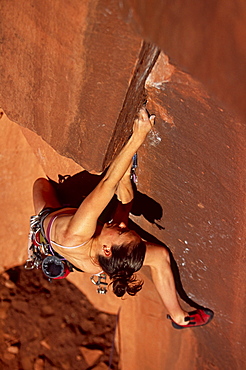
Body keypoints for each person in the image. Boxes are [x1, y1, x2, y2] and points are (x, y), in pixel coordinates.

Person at [29, 107, 213, 329]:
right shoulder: (110, 260)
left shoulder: (77, 233)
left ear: (107, 250)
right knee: (159, 256)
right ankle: (179, 317)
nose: (124, 225)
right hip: (83, 252)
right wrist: (125, 178)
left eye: (123, 232)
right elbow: (123, 207)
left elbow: (107, 184)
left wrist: (138, 136)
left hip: (53, 224)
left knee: (41, 184)